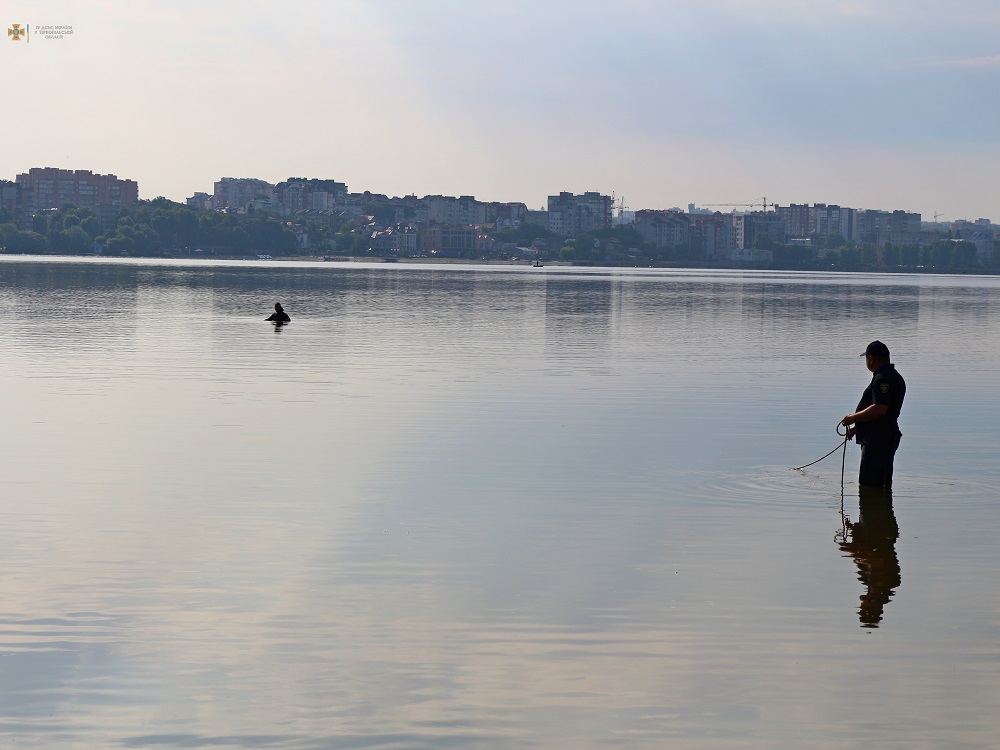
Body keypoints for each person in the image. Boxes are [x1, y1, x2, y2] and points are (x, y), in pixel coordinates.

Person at [840, 340, 905, 488]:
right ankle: (882, 510)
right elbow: (884, 413)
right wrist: (857, 428)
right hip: (884, 437)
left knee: (870, 486)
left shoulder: (882, 379)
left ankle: (872, 511)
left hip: (878, 441)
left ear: (871, 359)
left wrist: (852, 418)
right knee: (882, 485)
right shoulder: (892, 376)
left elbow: (879, 409)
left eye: (866, 358)